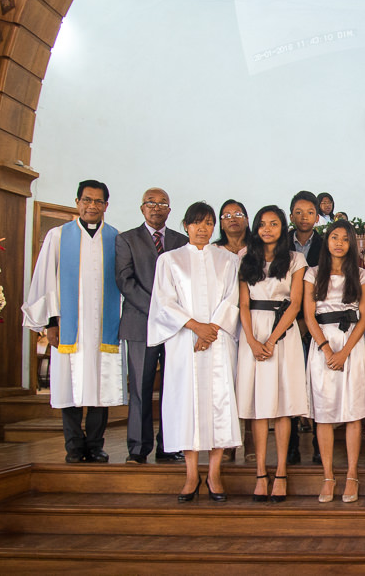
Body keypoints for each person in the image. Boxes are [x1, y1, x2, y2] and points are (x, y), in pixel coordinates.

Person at [22, 180, 126, 464]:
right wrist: (50, 324)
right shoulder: (58, 236)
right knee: (69, 387)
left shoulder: (116, 238)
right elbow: (45, 280)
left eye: (98, 201)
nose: (92, 206)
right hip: (69, 328)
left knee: (100, 388)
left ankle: (95, 445)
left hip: (104, 327)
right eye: (87, 200)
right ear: (77, 202)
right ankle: (74, 447)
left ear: (106, 205)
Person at [148, 202, 241, 503]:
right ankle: (191, 474)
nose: (203, 228)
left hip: (218, 340)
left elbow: (233, 298)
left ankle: (214, 473)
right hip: (183, 343)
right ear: (186, 225)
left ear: (215, 226)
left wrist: (210, 330)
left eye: (208, 223)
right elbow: (164, 302)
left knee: (219, 402)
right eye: (197, 222)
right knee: (185, 404)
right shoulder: (169, 260)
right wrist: (195, 327)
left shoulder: (228, 260)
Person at [236, 205, 309, 503]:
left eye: (274, 223)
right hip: (252, 330)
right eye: (263, 224)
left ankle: (280, 472)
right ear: (256, 228)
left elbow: (295, 303)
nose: (267, 229)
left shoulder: (295, 259)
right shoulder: (245, 257)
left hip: (283, 332)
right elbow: (243, 303)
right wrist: (252, 341)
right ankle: (260, 473)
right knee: (258, 405)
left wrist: (272, 339)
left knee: (281, 403)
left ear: (283, 228)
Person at [115, 187, 187, 464]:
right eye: (151, 203)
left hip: (175, 328)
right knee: (140, 388)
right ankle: (138, 448)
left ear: (170, 209)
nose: (156, 207)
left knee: (173, 387)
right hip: (140, 324)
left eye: (162, 203)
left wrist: (171, 314)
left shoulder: (181, 241)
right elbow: (125, 281)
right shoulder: (126, 239)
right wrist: (159, 309)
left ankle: (169, 445)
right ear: (142, 208)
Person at [303, 219, 365, 503]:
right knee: (324, 412)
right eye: (334, 237)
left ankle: (352, 475)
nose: (339, 243)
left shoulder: (361, 275)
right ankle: (328, 476)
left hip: (351, 343)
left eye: (345, 238)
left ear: (351, 243)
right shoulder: (312, 273)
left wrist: (344, 352)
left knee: (353, 411)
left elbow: (364, 317)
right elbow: (309, 316)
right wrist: (327, 349)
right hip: (323, 343)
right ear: (327, 241)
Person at [212, 198, 252, 462]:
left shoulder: (257, 248)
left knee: (249, 383)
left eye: (238, 213)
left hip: (253, 320)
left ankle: (251, 442)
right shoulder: (213, 251)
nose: (232, 219)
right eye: (226, 215)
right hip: (223, 324)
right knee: (225, 384)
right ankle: (226, 443)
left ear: (247, 219)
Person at [289, 190, 323, 464]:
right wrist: (295, 319)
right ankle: (291, 446)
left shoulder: (326, 244)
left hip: (316, 321)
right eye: (298, 212)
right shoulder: (279, 242)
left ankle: (318, 444)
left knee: (316, 383)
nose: (304, 217)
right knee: (289, 382)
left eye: (310, 212)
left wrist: (307, 319)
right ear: (291, 215)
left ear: (317, 217)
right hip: (286, 322)